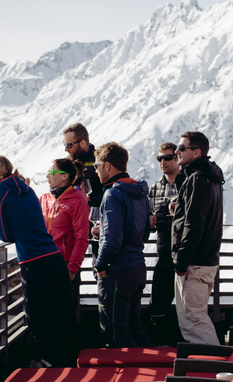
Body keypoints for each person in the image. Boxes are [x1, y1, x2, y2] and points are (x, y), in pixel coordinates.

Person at [0, 155, 75, 366]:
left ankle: (53, 363)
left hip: (34, 261)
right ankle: (72, 360)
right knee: (60, 314)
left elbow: (6, 234)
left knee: (38, 317)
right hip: (54, 257)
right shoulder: (27, 188)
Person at [92, 142, 153, 348]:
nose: (96, 170)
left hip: (118, 271)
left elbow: (112, 241)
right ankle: (157, 371)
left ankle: (127, 378)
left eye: (97, 166)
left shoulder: (113, 194)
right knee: (135, 328)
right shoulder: (139, 193)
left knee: (116, 334)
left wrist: (99, 266)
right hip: (137, 268)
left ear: (107, 166)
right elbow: (144, 232)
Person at [171, 131, 224, 345]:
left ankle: (216, 370)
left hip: (194, 262)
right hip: (206, 260)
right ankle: (208, 367)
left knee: (194, 320)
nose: (176, 151)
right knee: (195, 317)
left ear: (196, 152)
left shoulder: (197, 179)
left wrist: (181, 262)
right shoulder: (211, 177)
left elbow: (194, 224)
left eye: (182, 148)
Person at [39, 158, 89, 347]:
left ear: (65, 177)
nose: (47, 177)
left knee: (67, 320)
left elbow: (81, 239)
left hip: (65, 268)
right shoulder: (45, 199)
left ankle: (78, 360)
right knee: (49, 317)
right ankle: (58, 360)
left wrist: (72, 269)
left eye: (52, 173)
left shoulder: (77, 201)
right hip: (45, 267)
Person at [147, 142, 185, 344]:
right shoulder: (154, 189)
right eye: (159, 158)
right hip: (163, 256)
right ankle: (163, 348)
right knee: (156, 308)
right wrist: (151, 221)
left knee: (186, 308)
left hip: (186, 256)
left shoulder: (188, 183)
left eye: (167, 157)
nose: (163, 162)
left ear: (177, 158)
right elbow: (150, 222)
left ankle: (185, 350)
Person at [62, 122, 103, 263]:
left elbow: (109, 190)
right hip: (72, 224)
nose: (66, 150)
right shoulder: (67, 163)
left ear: (83, 142)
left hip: (96, 222)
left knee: (99, 265)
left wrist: (90, 200)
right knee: (69, 266)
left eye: (69, 145)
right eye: (64, 145)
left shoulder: (99, 160)